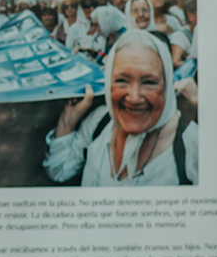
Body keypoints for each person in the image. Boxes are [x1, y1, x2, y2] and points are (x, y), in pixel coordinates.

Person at [46, 30, 197, 186]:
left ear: (166, 85)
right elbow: (60, 171)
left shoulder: (191, 143)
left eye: (149, 82)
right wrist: (68, 120)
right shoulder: (100, 122)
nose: (134, 97)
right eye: (122, 80)